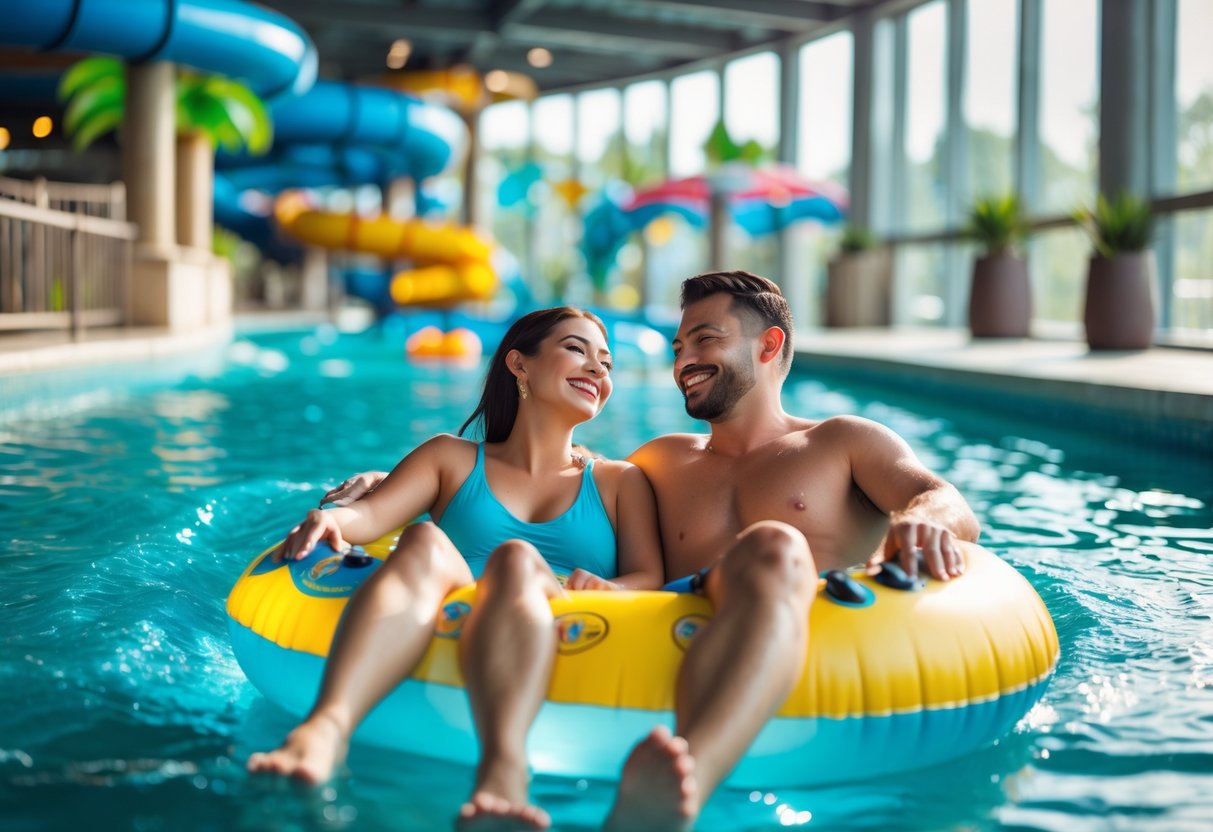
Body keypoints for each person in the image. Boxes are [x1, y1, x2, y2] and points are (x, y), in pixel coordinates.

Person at [326, 271, 980, 830]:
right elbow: (546, 472)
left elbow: (944, 500)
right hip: (672, 615)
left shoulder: (842, 442)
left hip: (796, 618)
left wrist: (925, 521)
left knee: (776, 546)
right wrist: (396, 484)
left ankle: (677, 786)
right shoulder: (659, 462)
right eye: (677, 345)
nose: (682, 360)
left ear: (769, 344)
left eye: (705, 340)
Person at [246, 307, 664, 832]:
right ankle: (324, 731)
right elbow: (372, 516)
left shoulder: (621, 482)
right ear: (520, 365)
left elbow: (648, 577)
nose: (599, 369)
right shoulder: (451, 458)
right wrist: (331, 517)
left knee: (515, 558)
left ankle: (503, 769)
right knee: (422, 536)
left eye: (606, 361)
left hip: (558, 607)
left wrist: (611, 587)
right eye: (578, 350)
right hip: (453, 593)